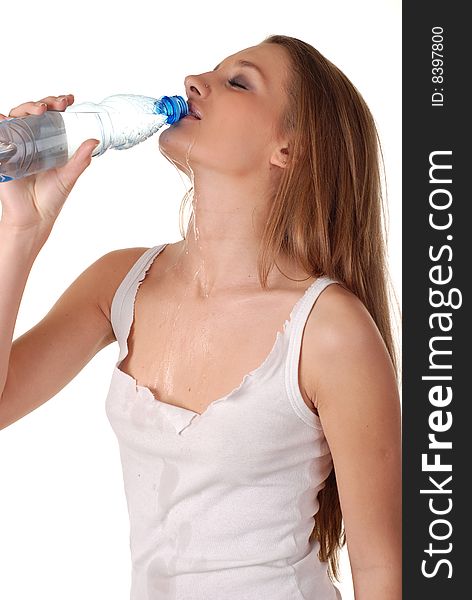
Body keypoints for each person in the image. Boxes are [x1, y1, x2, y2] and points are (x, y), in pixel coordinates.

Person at [0, 35, 401, 600]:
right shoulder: (120, 283)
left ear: (288, 147)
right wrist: (20, 233)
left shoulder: (328, 331)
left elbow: (384, 571)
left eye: (239, 81)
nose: (194, 80)